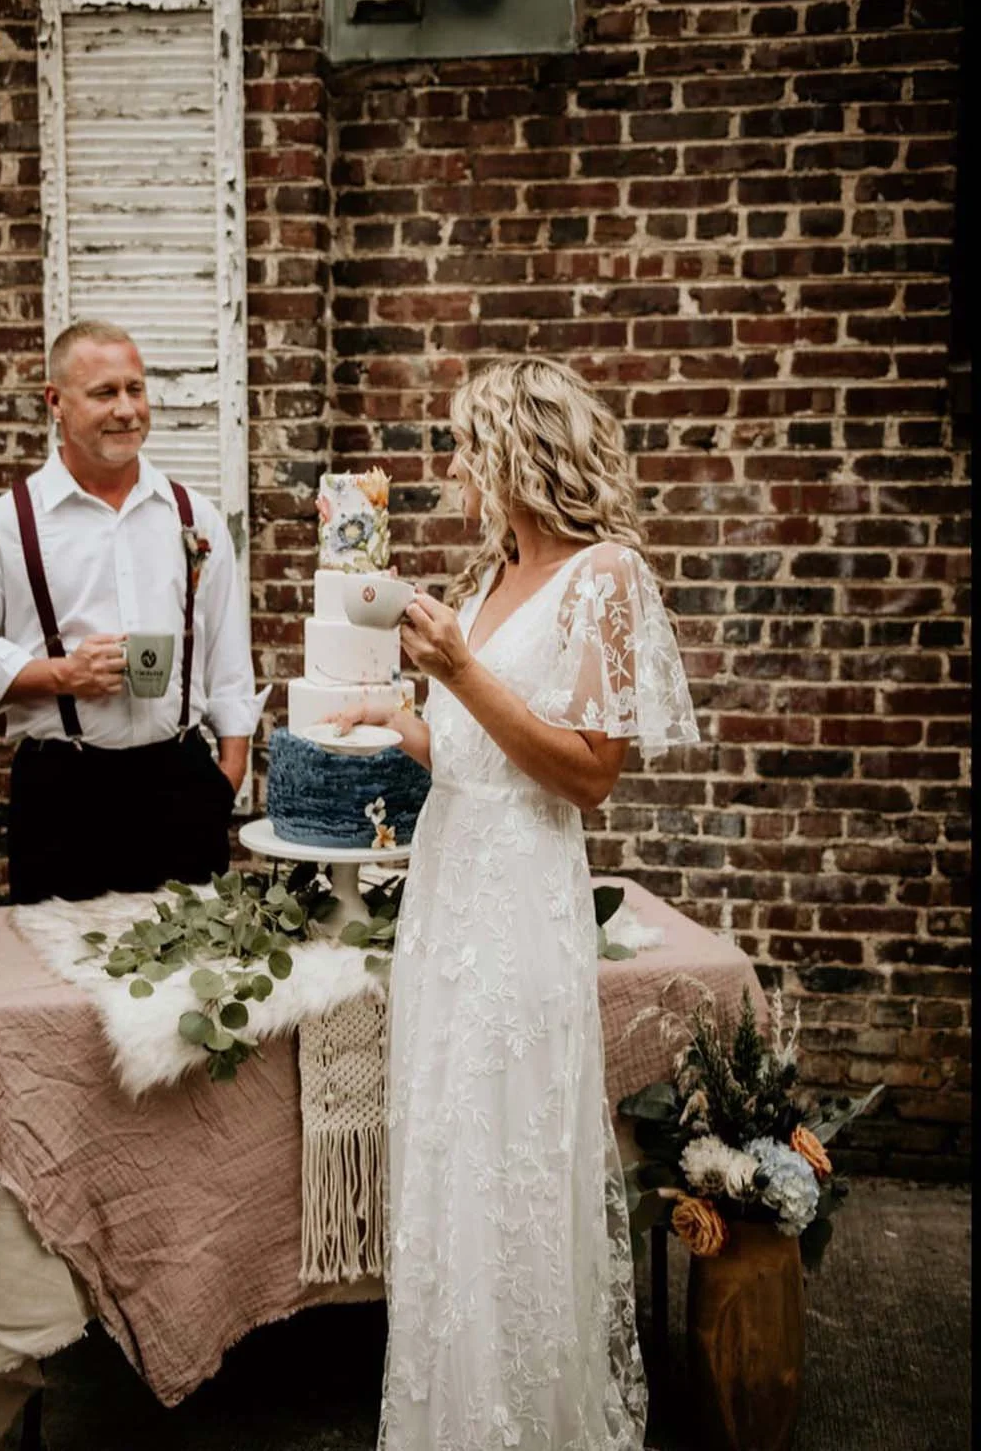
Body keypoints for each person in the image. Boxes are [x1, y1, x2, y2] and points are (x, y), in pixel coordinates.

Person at [331, 357, 699, 1449]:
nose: (451, 468)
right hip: (450, 894)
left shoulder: (607, 577)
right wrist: (377, 719)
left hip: (524, 901)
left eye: (464, 446)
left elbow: (589, 771)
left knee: (515, 1161)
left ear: (519, 454)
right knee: (452, 1153)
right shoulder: (489, 580)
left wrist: (457, 672)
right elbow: (470, 754)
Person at [0, 319, 258, 904]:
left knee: (195, 985)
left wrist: (225, 777)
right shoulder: (5, 528)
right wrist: (62, 676)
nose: (128, 409)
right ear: (55, 402)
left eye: (136, 389)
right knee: (62, 982)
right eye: (105, 392)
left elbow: (229, 661)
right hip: (62, 792)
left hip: (181, 782)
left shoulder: (194, 517)